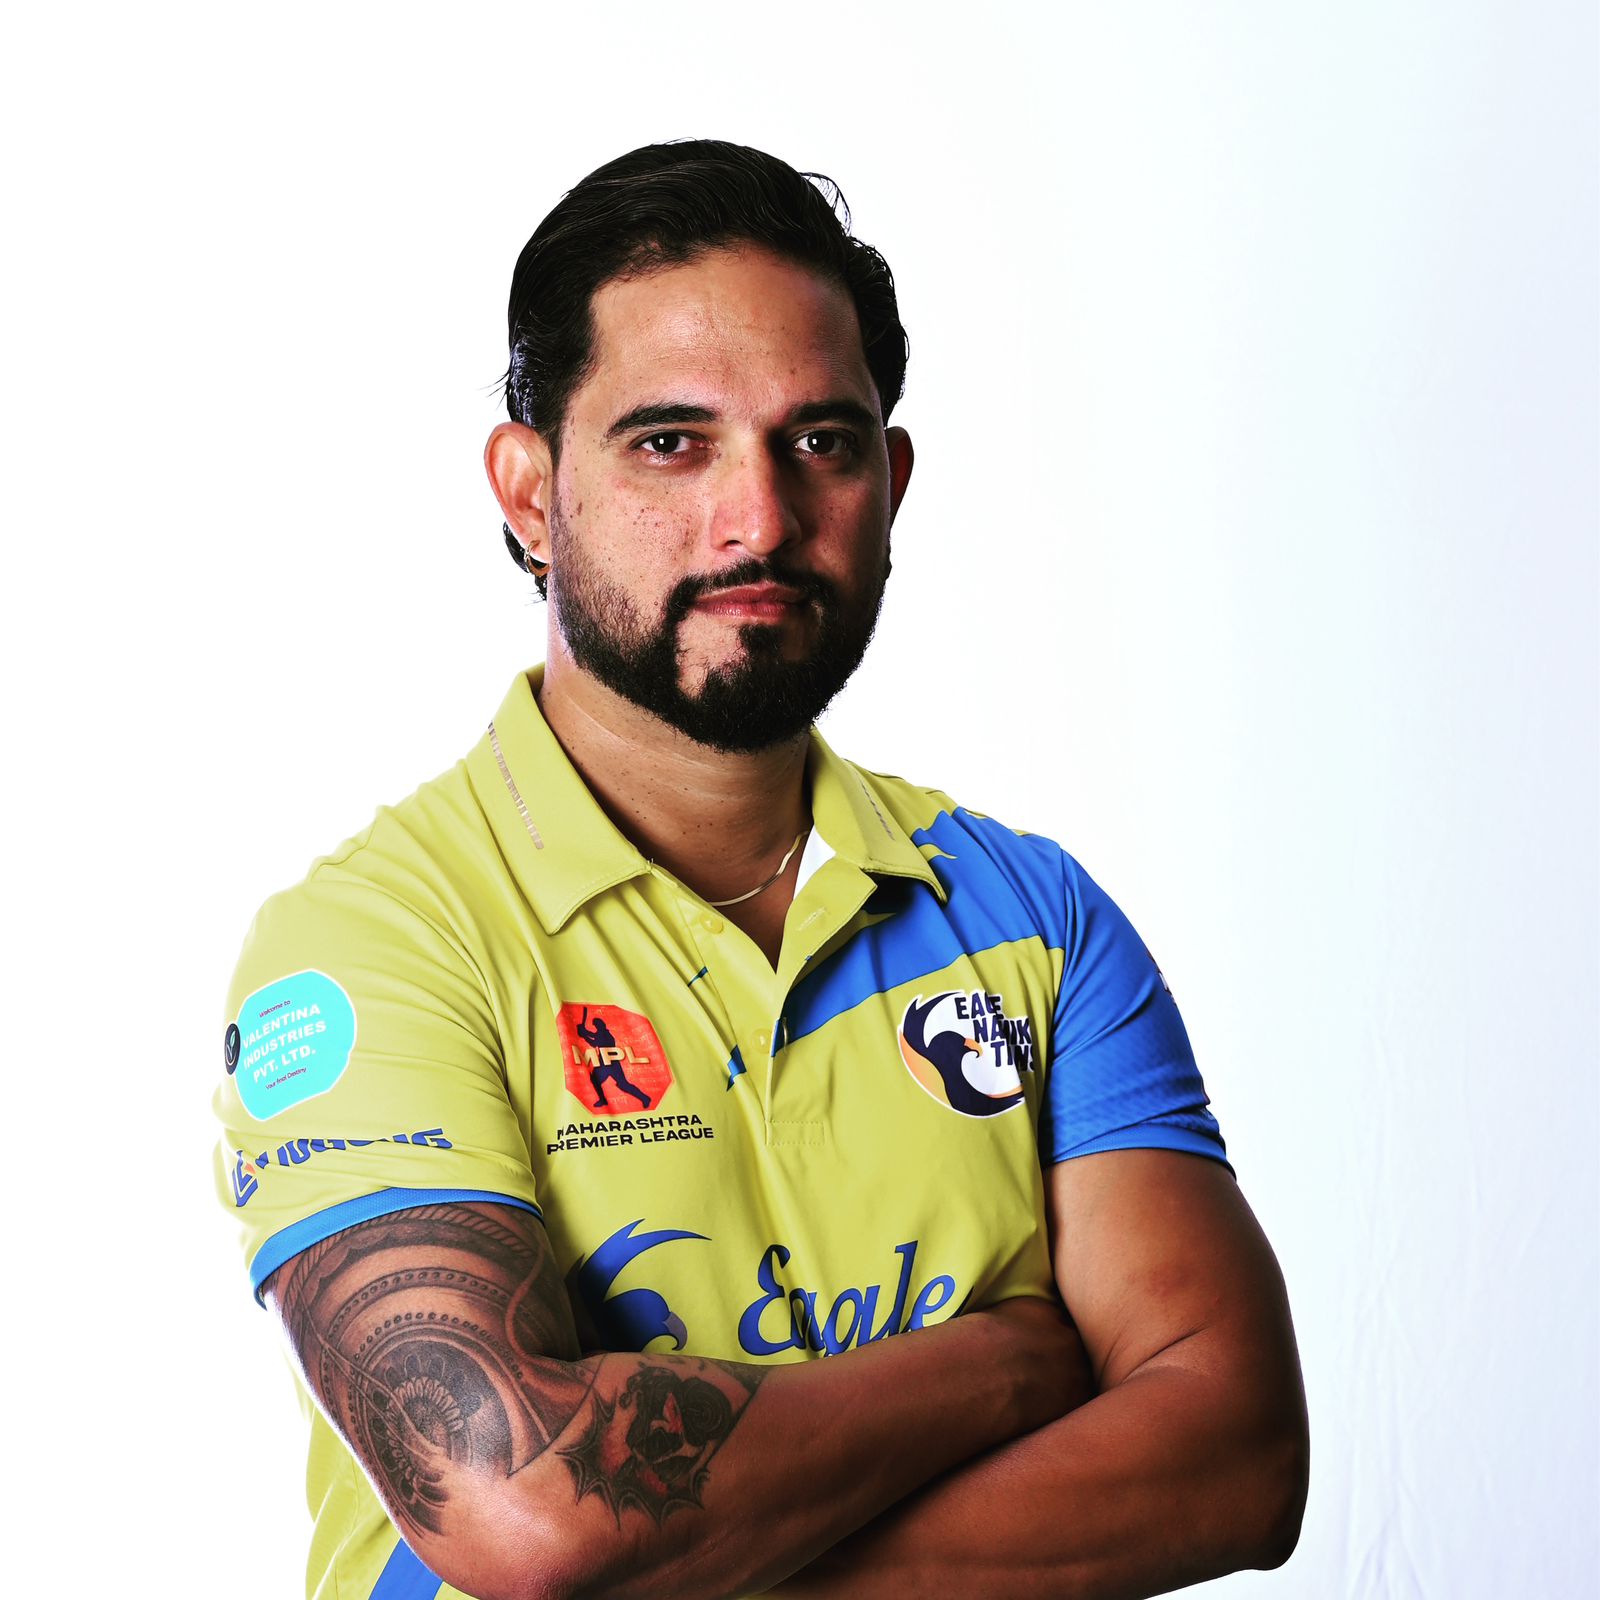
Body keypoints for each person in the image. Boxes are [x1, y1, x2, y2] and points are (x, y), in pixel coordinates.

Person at [212, 139, 1308, 1600]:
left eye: (822, 443)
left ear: (890, 483)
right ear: (530, 494)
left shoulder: (1032, 919)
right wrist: (1005, 1363)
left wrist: (692, 1557)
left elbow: (1238, 1458)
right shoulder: (375, 945)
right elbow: (525, 1512)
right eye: (671, 442)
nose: (762, 519)